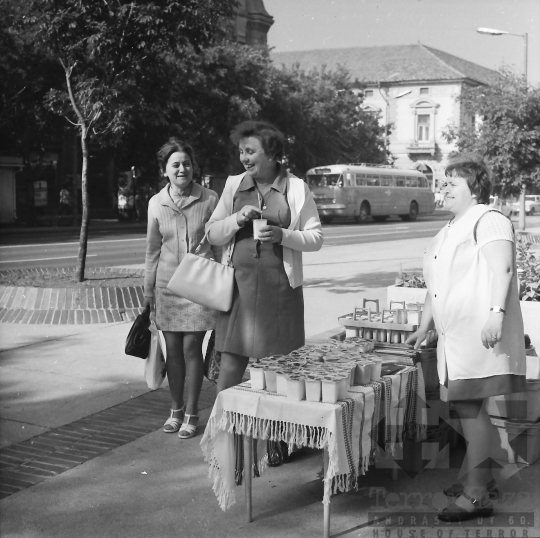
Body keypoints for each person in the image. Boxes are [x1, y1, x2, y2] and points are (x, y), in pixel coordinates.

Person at [406, 153, 526, 522]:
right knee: (466, 411)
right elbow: (436, 286)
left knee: (473, 413)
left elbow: (503, 268)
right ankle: (480, 479)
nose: (444, 187)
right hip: (454, 337)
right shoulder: (450, 227)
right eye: (444, 181)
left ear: (474, 190)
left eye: (452, 182)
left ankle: (477, 496)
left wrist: (496, 315)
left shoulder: (488, 220)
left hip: (479, 335)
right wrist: (424, 326)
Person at [205, 120, 323, 393]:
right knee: (231, 362)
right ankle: (223, 429)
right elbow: (212, 234)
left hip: (281, 289)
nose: (243, 158)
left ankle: (275, 431)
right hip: (237, 288)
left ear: (270, 153)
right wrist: (236, 218)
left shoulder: (296, 188)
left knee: (282, 367)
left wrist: (284, 236)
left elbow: (316, 238)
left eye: (250, 151)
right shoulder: (234, 185)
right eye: (241, 151)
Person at [144, 138, 220, 439]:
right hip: (166, 287)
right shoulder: (155, 203)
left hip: (199, 287)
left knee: (192, 349)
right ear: (165, 169)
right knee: (172, 350)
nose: (182, 169)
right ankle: (175, 410)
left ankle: (191, 412)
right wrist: (148, 292)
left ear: (193, 167)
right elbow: (152, 250)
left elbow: (220, 245)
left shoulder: (210, 199)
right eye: (175, 164)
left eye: (186, 163)